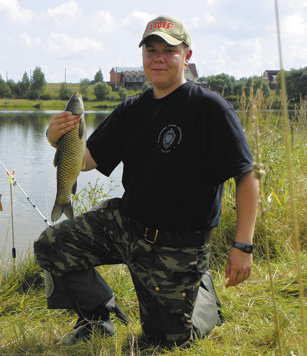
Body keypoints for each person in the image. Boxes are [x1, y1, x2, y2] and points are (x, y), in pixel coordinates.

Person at [34, 15, 258, 348]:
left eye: (169, 51)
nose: (158, 59)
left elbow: (246, 175)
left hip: (178, 244)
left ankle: (203, 296)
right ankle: (97, 319)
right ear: (142, 57)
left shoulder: (210, 108)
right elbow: (85, 160)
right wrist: (56, 138)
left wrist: (243, 245)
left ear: (187, 56)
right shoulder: (131, 110)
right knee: (51, 245)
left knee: (164, 342)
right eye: (151, 50)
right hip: (127, 224)